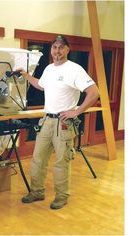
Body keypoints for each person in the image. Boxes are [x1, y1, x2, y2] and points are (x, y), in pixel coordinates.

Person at [19, 35, 99, 210]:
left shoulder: (75, 69)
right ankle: (37, 191)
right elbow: (41, 85)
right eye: (55, 47)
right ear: (51, 50)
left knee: (61, 162)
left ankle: (62, 196)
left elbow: (94, 92)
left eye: (61, 47)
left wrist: (76, 111)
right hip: (47, 121)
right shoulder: (49, 69)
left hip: (64, 124)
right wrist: (25, 75)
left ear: (67, 50)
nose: (57, 51)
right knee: (38, 159)